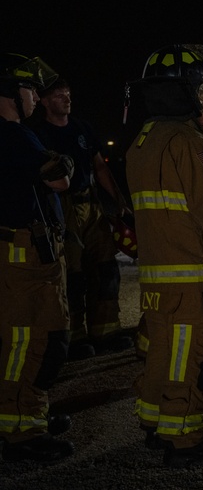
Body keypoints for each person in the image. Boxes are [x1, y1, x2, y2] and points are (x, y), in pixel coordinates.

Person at [126, 44, 203, 467]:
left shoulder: (143, 139)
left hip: (158, 275)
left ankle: (155, 423)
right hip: (191, 273)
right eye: (200, 89)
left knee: (162, 350)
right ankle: (184, 439)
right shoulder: (188, 140)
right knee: (190, 355)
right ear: (183, 91)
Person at [0, 53, 75, 462]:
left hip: (17, 252)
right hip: (24, 257)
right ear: (13, 91)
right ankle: (21, 431)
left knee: (22, 339)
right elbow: (60, 179)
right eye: (31, 89)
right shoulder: (12, 134)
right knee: (33, 340)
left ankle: (28, 413)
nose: (35, 97)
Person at [32, 79, 134, 359]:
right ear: (43, 101)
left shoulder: (82, 128)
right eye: (58, 94)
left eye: (68, 92)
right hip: (63, 208)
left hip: (92, 205)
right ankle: (75, 337)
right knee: (73, 275)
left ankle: (107, 331)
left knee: (105, 268)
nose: (66, 97)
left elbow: (99, 166)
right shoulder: (39, 133)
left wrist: (119, 198)